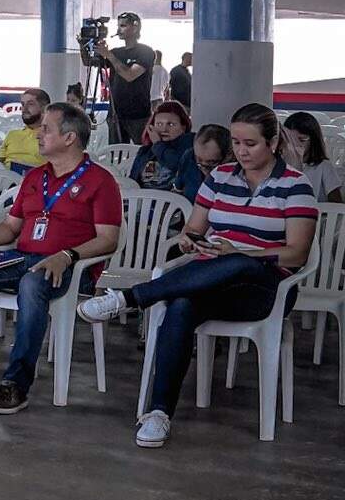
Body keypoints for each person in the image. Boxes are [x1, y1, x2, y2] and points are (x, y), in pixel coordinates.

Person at [82, 104, 317, 448]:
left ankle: (132, 298)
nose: (241, 151)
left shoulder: (295, 186)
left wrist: (244, 253)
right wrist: (191, 242)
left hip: (266, 289)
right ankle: (159, 414)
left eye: (250, 143)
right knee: (180, 306)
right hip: (211, 276)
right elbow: (193, 229)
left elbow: (297, 253)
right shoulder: (220, 177)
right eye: (236, 142)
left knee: (242, 263)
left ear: (272, 143)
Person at [0, 101, 122, 413]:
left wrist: (67, 255)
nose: (38, 133)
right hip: (23, 258)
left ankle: (15, 383)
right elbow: (10, 228)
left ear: (70, 138)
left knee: (33, 283)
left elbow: (108, 240)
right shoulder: (36, 177)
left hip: (70, 268)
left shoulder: (100, 181)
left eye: (46, 128)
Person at [91, 12, 154, 148]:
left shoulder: (145, 52)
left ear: (135, 28)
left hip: (138, 114)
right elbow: (89, 63)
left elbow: (129, 75)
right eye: (118, 26)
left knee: (144, 151)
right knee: (115, 153)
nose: (119, 30)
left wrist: (108, 55)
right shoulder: (116, 52)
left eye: (123, 26)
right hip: (116, 113)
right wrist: (84, 45)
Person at [130, 101, 195, 193]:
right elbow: (133, 181)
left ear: (183, 127)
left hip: (173, 203)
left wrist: (158, 144)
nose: (164, 129)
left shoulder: (189, 145)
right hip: (144, 201)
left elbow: (179, 165)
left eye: (171, 124)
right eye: (159, 124)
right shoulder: (145, 151)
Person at [282, 110, 342, 203]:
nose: (295, 145)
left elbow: (336, 205)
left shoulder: (324, 166)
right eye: (290, 140)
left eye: (302, 140)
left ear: (313, 141)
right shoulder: (278, 165)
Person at [0, 89, 49, 172]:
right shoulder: (12, 134)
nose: (24, 109)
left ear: (44, 108)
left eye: (30, 104)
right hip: (4, 182)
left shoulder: (50, 137)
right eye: (23, 104)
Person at [180, 123, 229, 202]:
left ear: (226, 157)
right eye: (198, 160)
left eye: (211, 162)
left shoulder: (234, 172)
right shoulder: (189, 157)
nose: (204, 168)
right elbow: (178, 190)